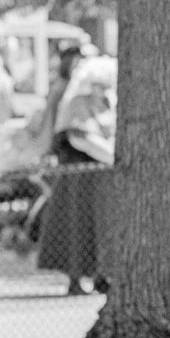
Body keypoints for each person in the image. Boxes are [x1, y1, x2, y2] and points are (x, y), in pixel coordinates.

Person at [36, 48, 116, 294]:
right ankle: (75, 278)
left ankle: (103, 274)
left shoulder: (107, 103)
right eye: (97, 84)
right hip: (78, 178)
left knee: (104, 227)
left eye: (105, 85)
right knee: (76, 225)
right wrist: (113, 157)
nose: (101, 90)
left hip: (102, 177)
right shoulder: (77, 103)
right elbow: (80, 138)